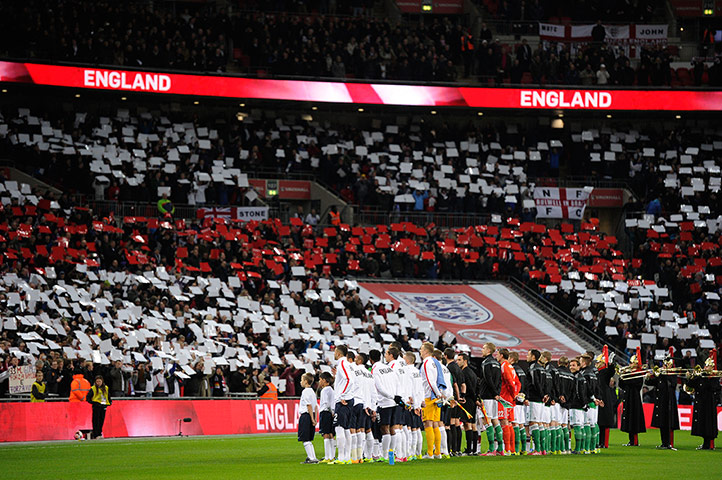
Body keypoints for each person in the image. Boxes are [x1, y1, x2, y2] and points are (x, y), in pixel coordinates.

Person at [685, 352, 721, 450]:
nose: (705, 368)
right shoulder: (700, 376)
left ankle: (708, 444)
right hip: (701, 403)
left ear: (712, 368)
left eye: (708, 366)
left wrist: (706, 378)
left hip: (709, 403)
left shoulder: (714, 377)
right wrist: (689, 378)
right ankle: (705, 444)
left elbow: (714, 388)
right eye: (705, 366)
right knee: (702, 423)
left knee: (708, 424)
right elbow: (692, 385)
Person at [369, 348, 398, 462]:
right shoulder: (388, 368)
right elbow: (396, 382)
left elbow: (378, 387)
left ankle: (385, 455)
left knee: (384, 428)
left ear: (370, 360)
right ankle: (392, 454)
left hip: (384, 402)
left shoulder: (375, 369)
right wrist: (395, 396)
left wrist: (390, 396)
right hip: (393, 402)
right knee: (392, 428)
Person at [646, 354, 680, 450]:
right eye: (663, 365)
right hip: (660, 401)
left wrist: (665, 373)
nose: (663, 367)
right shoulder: (659, 375)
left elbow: (672, 384)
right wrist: (649, 376)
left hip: (669, 402)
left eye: (666, 365)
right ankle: (663, 442)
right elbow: (649, 383)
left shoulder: (672, 374)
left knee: (668, 423)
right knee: (661, 423)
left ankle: (668, 443)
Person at [420, 341, 445, 459]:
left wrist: (437, 393)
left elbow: (430, 381)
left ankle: (430, 453)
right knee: (435, 424)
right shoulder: (435, 363)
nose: (420, 351)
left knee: (428, 423)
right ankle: (437, 452)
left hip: (429, 395)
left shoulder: (427, 362)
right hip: (435, 395)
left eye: (421, 349)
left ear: (425, 351)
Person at [332, 344, 356, 464]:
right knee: (346, 428)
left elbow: (349, 380)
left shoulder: (341, 363)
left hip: (344, 400)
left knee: (339, 427)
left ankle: (341, 457)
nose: (334, 354)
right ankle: (346, 457)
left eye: (335, 351)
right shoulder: (348, 364)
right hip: (350, 398)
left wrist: (342, 395)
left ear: (339, 353)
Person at [478, 343, 502, 456]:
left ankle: (492, 449)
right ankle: (500, 448)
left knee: (486, 420)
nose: (481, 350)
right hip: (494, 396)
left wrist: (493, 392)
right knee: (495, 420)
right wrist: (497, 393)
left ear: (488, 350)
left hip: (487, 395)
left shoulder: (486, 363)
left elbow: (488, 379)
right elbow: (499, 380)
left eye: (483, 348)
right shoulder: (497, 363)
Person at [618, 354, 647, 446]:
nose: (629, 365)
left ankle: (635, 441)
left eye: (631, 363)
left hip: (634, 399)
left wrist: (626, 376)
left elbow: (636, 384)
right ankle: (631, 440)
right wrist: (621, 377)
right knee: (629, 419)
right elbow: (622, 385)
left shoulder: (639, 374)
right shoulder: (629, 373)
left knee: (634, 419)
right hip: (628, 398)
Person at [498, 348, 521, 455]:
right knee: (510, 423)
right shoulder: (511, 367)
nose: (496, 356)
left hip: (505, 397)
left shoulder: (504, 366)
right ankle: (512, 449)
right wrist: (515, 394)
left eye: (497, 354)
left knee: (504, 421)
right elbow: (518, 383)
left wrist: (512, 394)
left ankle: (507, 449)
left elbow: (510, 382)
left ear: (501, 355)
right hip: (510, 398)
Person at [526, 349, 548, 455]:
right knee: (539, 423)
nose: (527, 356)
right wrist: (545, 394)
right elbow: (545, 383)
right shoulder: (542, 368)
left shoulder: (533, 367)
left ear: (533, 357)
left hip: (534, 398)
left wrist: (541, 394)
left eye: (528, 355)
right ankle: (543, 449)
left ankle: (537, 449)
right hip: (541, 399)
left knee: (533, 423)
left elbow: (535, 382)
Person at [456, 352, 478, 455]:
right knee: (473, 425)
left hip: (468, 400)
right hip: (473, 401)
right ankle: (474, 450)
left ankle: (469, 450)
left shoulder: (464, 373)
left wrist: (472, 398)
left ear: (465, 361)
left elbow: (469, 387)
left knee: (467, 425)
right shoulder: (472, 372)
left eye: (459, 360)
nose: (457, 362)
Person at [580, 353, 603, 453]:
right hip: (595, 402)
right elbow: (598, 387)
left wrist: (592, 398)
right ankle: (594, 448)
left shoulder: (585, 374)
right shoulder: (593, 373)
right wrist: (598, 398)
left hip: (589, 401)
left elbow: (587, 388)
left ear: (584, 363)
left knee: (587, 424)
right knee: (593, 424)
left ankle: (587, 448)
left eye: (580, 361)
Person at [444, 347, 465, 456]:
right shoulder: (458, 367)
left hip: (452, 398)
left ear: (445, 356)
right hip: (458, 398)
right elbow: (462, 384)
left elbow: (455, 384)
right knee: (457, 423)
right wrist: (461, 396)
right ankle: (457, 449)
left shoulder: (449, 368)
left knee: (451, 423)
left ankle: (450, 449)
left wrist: (454, 398)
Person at [509, 352, 529, 455]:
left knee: (515, 424)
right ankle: (524, 449)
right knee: (521, 424)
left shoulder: (513, 370)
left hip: (515, 400)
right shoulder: (522, 371)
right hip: (521, 400)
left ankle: (516, 449)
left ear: (511, 359)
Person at [568, 357, 589, 454]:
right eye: (570, 365)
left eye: (573, 365)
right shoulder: (582, 377)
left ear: (579, 367)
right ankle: (582, 448)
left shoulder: (576, 377)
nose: (571, 367)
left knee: (577, 426)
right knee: (581, 426)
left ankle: (577, 449)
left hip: (576, 405)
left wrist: (581, 403)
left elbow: (578, 392)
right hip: (581, 405)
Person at [298, 372, 319, 464]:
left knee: (305, 438)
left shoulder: (305, 391)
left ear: (306, 381)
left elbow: (309, 406)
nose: (300, 382)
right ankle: (312, 457)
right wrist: (315, 418)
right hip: (312, 414)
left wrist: (312, 419)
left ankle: (312, 458)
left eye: (302, 380)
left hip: (306, 415)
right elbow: (315, 407)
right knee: (308, 439)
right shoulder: (312, 392)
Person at [318, 372, 336, 463]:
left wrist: (329, 410)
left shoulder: (324, 390)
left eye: (320, 380)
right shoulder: (332, 390)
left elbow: (326, 403)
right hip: (331, 413)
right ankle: (332, 456)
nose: (319, 382)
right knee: (331, 434)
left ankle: (327, 456)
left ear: (325, 380)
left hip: (325, 412)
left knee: (325, 434)